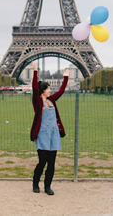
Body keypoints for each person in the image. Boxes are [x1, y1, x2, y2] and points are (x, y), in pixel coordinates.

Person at [30, 61, 68, 196]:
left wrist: (66, 77)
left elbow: (62, 91)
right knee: (42, 162)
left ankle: (47, 186)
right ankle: (35, 183)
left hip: (54, 134)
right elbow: (34, 88)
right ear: (43, 90)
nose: (50, 90)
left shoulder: (51, 99)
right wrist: (35, 71)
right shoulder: (37, 101)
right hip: (42, 134)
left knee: (51, 163)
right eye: (48, 88)